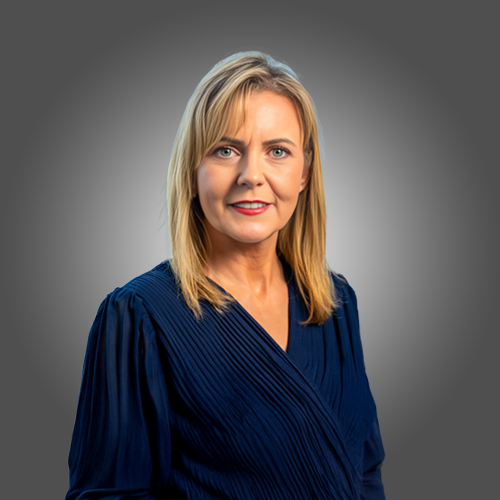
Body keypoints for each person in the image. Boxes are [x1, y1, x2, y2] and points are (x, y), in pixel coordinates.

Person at [65, 51, 386, 500]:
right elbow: (108, 495)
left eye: (277, 151)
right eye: (226, 150)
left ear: (304, 173)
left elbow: (365, 472)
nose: (251, 175)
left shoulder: (335, 301)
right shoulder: (138, 316)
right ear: (193, 170)